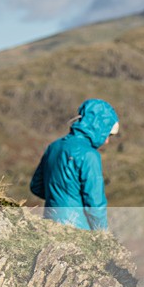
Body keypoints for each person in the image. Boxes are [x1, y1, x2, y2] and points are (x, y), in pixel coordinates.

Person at [30, 98, 119, 230]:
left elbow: (36, 186)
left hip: (48, 226)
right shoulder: (90, 156)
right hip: (78, 230)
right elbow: (95, 205)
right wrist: (103, 237)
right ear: (97, 127)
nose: (106, 141)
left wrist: (60, 197)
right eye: (107, 134)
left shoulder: (54, 147)